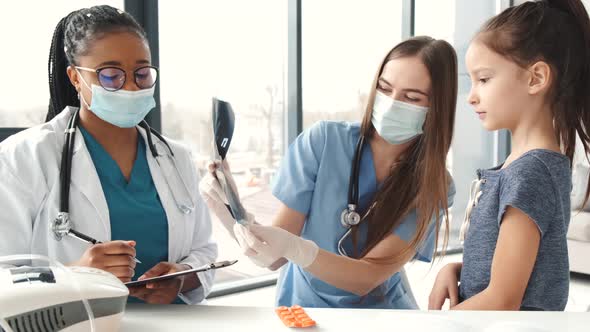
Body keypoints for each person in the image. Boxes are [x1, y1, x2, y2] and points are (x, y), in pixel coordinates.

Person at [201, 36, 458, 309]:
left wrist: (296, 248)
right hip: (304, 310)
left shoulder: (435, 184)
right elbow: (272, 257)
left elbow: (367, 276)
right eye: (384, 88)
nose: (392, 103)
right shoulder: (323, 143)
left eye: (411, 97)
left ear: (437, 108)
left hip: (382, 316)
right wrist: (228, 207)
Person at [0, 5, 217, 304]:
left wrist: (181, 277)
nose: (130, 86)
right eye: (111, 75)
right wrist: (75, 275)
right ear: (76, 77)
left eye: (141, 74)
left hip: (172, 322)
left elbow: (204, 250)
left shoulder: (175, 157)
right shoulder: (24, 157)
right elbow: (4, 276)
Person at [429, 0, 590, 311]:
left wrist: (432, 326)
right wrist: (457, 269)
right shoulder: (523, 167)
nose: (472, 96)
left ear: (536, 78)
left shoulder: (531, 174)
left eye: (484, 79)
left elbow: (503, 300)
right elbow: (514, 269)